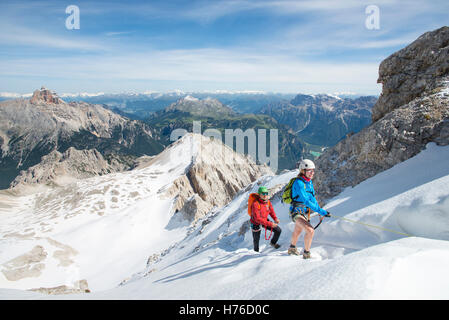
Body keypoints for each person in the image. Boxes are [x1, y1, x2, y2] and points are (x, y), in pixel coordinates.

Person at [288, 159, 330, 259]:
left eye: (313, 170)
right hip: (296, 212)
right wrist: (321, 211)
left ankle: (292, 248)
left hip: (303, 212)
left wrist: (319, 210)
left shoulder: (309, 182)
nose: (312, 173)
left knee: (298, 230)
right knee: (310, 230)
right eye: (309, 170)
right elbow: (306, 200)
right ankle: (306, 254)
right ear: (303, 171)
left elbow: (312, 198)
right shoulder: (299, 183)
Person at [250, 186, 282, 252]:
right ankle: (256, 253)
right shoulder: (255, 204)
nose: (265, 195)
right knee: (256, 240)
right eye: (263, 194)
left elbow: (271, 211)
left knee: (278, 230)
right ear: (259, 195)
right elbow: (257, 219)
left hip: (264, 220)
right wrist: (270, 224)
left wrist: (275, 218)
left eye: (266, 193)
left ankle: (273, 243)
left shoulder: (268, 202)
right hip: (256, 222)